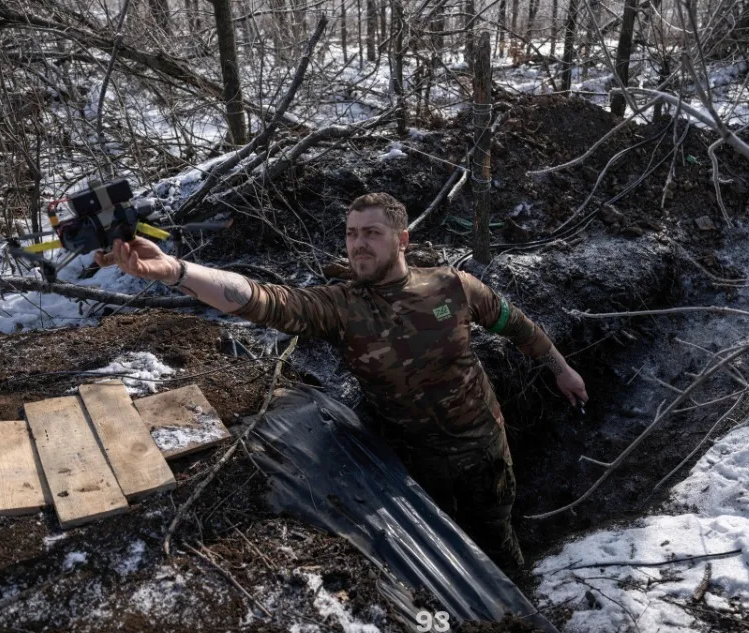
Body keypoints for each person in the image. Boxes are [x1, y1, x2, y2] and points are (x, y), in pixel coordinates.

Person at [95, 192, 588, 573]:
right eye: (351, 233)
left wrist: (561, 368)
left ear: (402, 240)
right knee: (433, 554)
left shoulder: (451, 286)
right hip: (405, 465)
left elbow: (515, 324)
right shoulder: (340, 306)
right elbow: (261, 299)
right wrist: (177, 271)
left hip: (481, 448)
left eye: (372, 233)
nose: (357, 243)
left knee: (498, 541)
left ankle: (521, 615)